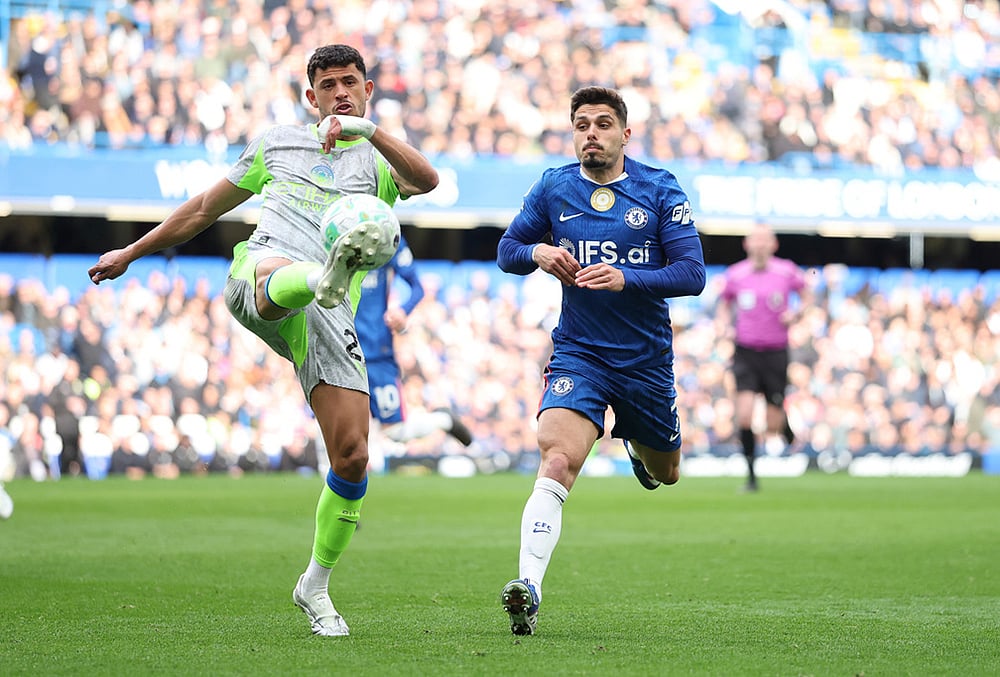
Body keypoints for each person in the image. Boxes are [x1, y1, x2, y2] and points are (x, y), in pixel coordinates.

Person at [88, 44, 439, 637]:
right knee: (280, 274)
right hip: (261, 274)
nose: (340, 93)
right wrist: (132, 251)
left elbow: (426, 181)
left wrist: (369, 132)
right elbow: (204, 208)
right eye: (327, 85)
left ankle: (315, 585)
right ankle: (317, 276)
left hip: (328, 313)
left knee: (353, 456)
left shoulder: (378, 160)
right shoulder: (277, 143)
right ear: (310, 96)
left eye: (350, 82)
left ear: (367, 89)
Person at [494, 86, 706, 636]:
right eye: (582, 124)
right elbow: (507, 251)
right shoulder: (554, 186)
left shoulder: (659, 188)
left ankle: (638, 447)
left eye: (603, 124)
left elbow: (692, 274)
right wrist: (538, 251)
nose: (591, 133)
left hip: (645, 362)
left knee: (667, 473)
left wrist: (626, 278)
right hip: (580, 354)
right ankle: (528, 588)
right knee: (557, 461)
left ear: (625, 134)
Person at [355, 233, 473, 455]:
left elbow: (417, 287)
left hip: (375, 351)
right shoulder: (333, 231)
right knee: (332, 423)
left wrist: (403, 311)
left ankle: (443, 420)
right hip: (338, 348)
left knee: (395, 432)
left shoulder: (386, 234)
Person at [718, 222, 807, 493]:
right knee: (744, 415)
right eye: (754, 240)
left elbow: (807, 295)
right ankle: (751, 476)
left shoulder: (786, 271)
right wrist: (724, 325)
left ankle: (784, 422)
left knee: (772, 424)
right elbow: (724, 303)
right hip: (745, 351)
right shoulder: (735, 274)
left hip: (775, 352)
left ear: (773, 244)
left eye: (764, 239)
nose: (759, 245)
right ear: (746, 244)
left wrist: (797, 313)